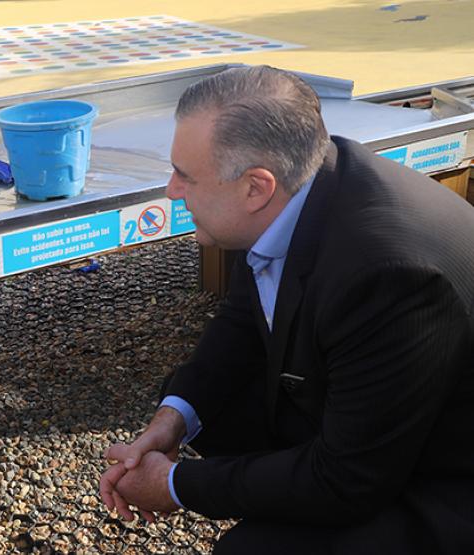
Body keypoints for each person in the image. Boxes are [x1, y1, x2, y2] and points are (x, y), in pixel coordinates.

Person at [99, 65, 474, 554]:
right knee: (204, 403)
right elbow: (242, 320)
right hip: (396, 417)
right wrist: (172, 419)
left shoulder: (385, 277)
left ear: (256, 187)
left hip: (450, 476)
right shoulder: (308, 180)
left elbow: (349, 481)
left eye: (185, 176)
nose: (171, 190)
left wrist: (175, 486)